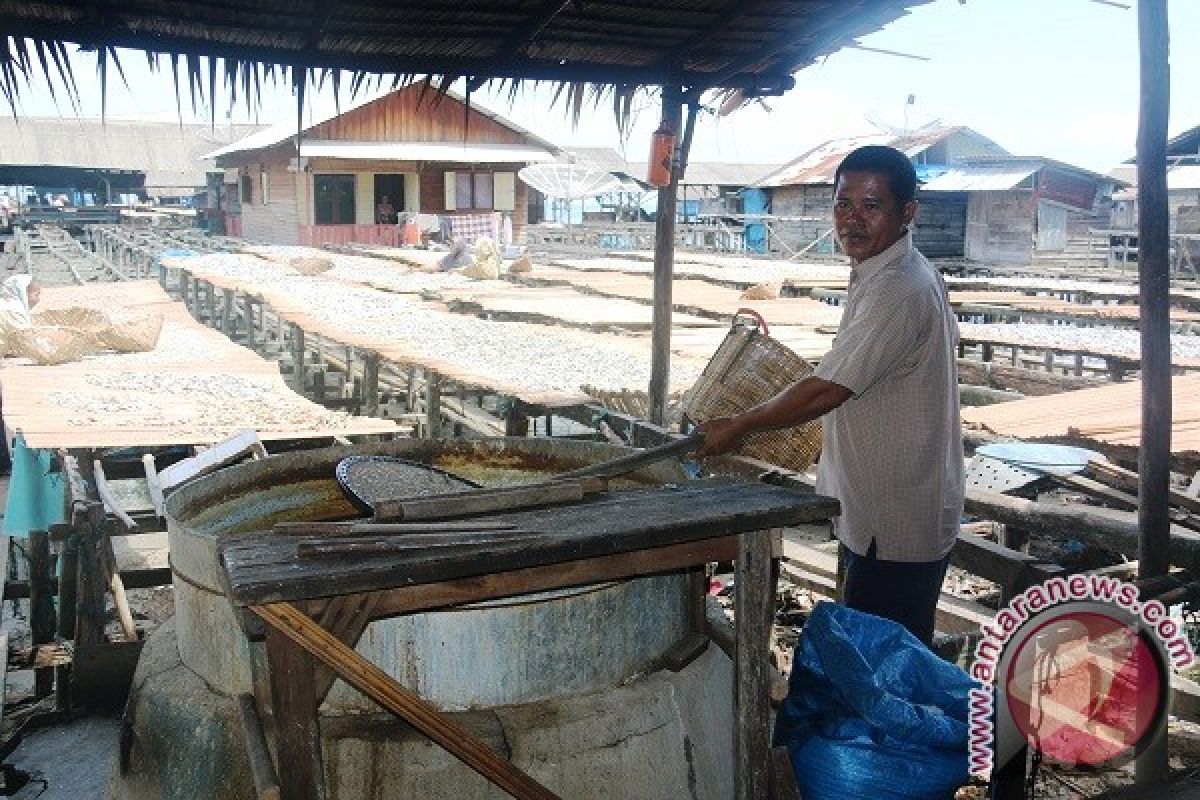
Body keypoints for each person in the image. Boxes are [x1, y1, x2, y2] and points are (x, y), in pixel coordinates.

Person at [696, 145, 963, 646]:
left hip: (895, 518)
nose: (853, 220)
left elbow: (828, 388)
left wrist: (740, 424)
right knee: (877, 659)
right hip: (877, 510)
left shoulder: (900, 288)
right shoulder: (882, 273)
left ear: (907, 211)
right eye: (843, 205)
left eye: (871, 205)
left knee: (883, 671)